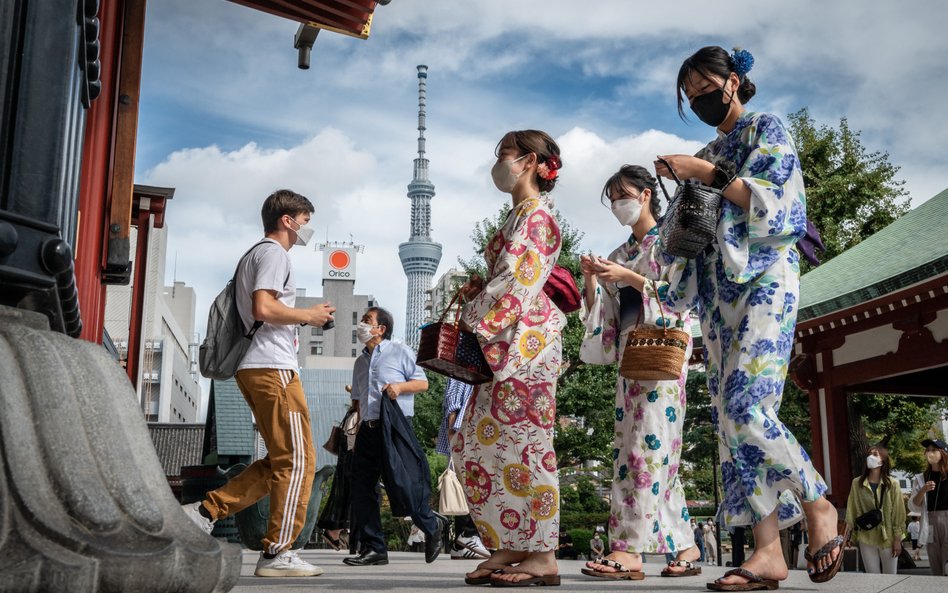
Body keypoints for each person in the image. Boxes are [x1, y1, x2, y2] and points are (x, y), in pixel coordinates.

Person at [653, 46, 846, 590]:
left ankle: (818, 504)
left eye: (703, 86)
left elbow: (779, 206)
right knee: (730, 422)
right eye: (690, 95)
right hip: (717, 295)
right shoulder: (708, 148)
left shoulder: (767, 127)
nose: (699, 97)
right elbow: (692, 233)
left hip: (765, 279)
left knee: (746, 402)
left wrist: (706, 172)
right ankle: (768, 552)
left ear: (733, 81)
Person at [181, 189, 334, 577]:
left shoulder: (253, 254)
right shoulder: (273, 253)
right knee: (300, 459)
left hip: (254, 368)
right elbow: (263, 308)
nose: (306, 228)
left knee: (279, 461)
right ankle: (278, 552)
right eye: (304, 220)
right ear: (287, 220)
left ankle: (204, 511)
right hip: (273, 368)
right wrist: (308, 315)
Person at [454, 130, 566, 587]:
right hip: (507, 342)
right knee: (482, 445)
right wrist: (477, 294)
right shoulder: (519, 215)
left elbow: (516, 284)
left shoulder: (537, 216)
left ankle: (542, 553)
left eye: (503, 154)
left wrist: (470, 315)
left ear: (528, 161)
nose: (497, 163)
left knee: (526, 444)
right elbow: (504, 281)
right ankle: (513, 541)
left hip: (524, 346)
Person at [578, 165, 700, 580]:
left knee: (642, 450)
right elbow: (605, 316)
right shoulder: (618, 253)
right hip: (633, 353)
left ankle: (628, 549)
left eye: (623, 195)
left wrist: (629, 277)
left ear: (647, 194)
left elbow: (682, 296)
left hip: (662, 353)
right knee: (652, 450)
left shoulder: (671, 243)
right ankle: (685, 544)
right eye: (612, 199)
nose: (617, 205)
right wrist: (592, 279)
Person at [343, 307, 442, 567]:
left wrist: (399, 387)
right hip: (368, 429)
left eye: (367, 321)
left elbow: (422, 383)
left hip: (395, 426)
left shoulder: (400, 351)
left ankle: (432, 525)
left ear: (381, 329)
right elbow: (357, 402)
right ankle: (375, 549)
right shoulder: (360, 362)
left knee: (403, 484)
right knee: (362, 486)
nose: (361, 326)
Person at [435, 378, 490, 560]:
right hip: (465, 434)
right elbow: (452, 404)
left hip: (473, 434)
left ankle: (462, 542)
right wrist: (453, 438)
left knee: (473, 486)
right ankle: (467, 535)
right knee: (471, 487)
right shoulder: (464, 367)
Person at [844, 445, 905, 574]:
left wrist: (897, 539)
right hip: (866, 535)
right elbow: (852, 509)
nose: (870, 457)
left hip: (888, 536)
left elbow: (898, 512)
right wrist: (849, 536)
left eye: (875, 454)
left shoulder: (892, 484)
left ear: (882, 460)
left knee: (890, 576)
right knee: (872, 577)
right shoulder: (857, 483)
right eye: (869, 454)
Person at [909, 438, 948, 576]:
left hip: (946, 518)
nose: (930, 453)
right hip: (929, 521)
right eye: (928, 450)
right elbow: (913, 505)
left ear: (943, 452)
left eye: (934, 450)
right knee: (934, 560)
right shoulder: (921, 477)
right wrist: (923, 490)